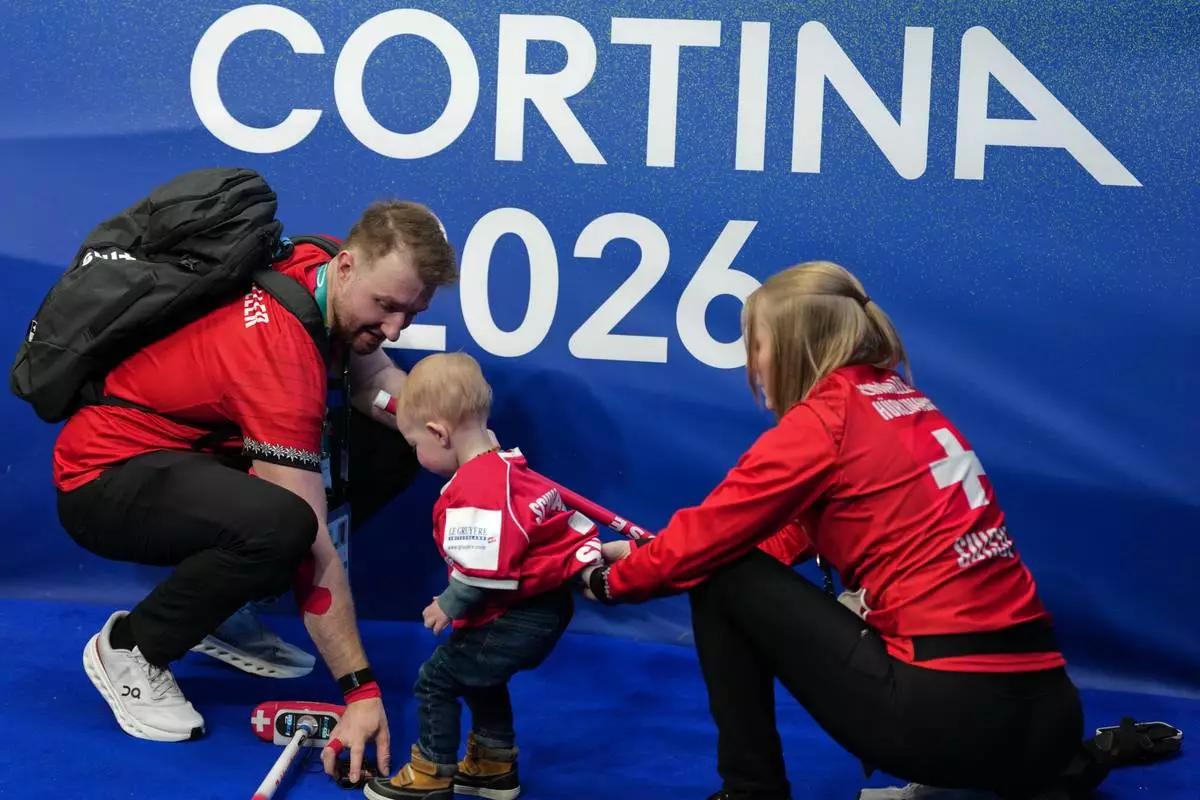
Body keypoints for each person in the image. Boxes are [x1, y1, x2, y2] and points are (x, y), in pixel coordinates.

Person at [581, 261, 1093, 800]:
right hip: (1054, 721)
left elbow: (711, 541)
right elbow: (782, 538)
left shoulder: (823, 421)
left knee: (718, 572)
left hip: (952, 722)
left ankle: (750, 792)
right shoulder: (904, 402)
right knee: (719, 561)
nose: (750, 363)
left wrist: (609, 582)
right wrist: (650, 552)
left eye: (756, 345)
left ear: (795, 346)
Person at [53, 199, 457, 783]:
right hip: (103, 476)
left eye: (410, 315)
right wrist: (360, 691)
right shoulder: (279, 357)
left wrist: (458, 439)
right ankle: (132, 647)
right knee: (285, 526)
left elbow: (373, 382)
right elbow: (313, 543)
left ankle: (221, 607)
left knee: (398, 445)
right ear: (347, 268)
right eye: (386, 307)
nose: (393, 329)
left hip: (187, 459)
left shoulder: (314, 265)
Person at [363, 352, 602, 800]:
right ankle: (493, 765)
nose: (417, 454)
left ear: (439, 433)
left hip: (518, 614)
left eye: (416, 444)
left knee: (436, 679)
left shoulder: (478, 488)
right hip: (539, 607)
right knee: (478, 675)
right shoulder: (505, 467)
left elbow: (481, 572)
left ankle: (431, 772)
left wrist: (446, 604)